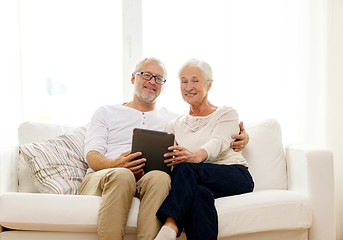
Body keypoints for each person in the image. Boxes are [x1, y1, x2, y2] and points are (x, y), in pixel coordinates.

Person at [78, 57, 249, 240]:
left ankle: (166, 231)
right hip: (106, 176)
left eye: (158, 78)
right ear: (133, 78)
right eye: (146, 75)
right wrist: (116, 163)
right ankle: (170, 225)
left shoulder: (170, 119)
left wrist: (244, 136)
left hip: (146, 179)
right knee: (123, 174)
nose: (152, 81)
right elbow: (92, 157)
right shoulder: (106, 112)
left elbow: (211, 129)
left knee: (161, 177)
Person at [154, 59, 255, 240]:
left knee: (185, 167)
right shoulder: (174, 124)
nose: (189, 86)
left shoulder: (226, 113)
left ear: (209, 85)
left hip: (233, 175)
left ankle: (170, 225)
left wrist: (195, 156)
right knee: (199, 194)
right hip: (199, 182)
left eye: (195, 80)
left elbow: (218, 141)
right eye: (184, 81)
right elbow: (171, 158)